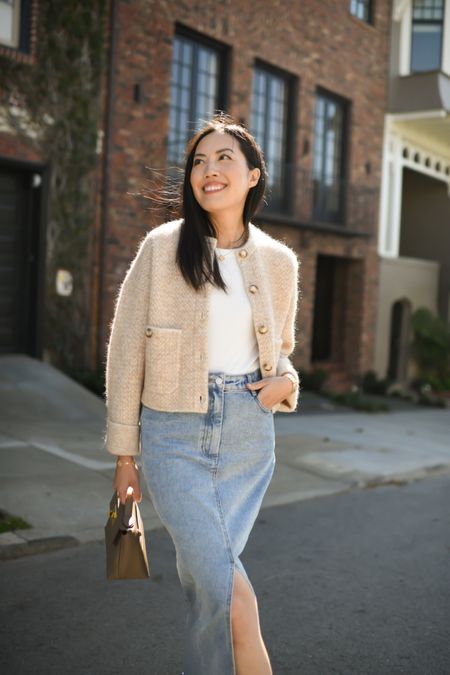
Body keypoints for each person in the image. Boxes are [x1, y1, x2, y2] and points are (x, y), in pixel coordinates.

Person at [104, 114, 300, 675]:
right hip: (173, 433)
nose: (208, 171)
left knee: (209, 583)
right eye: (198, 161)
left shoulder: (280, 263)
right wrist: (125, 456)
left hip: (247, 435)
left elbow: (281, 349)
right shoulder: (162, 249)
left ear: (253, 176)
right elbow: (125, 355)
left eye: (223, 160)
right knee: (226, 585)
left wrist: (287, 383)